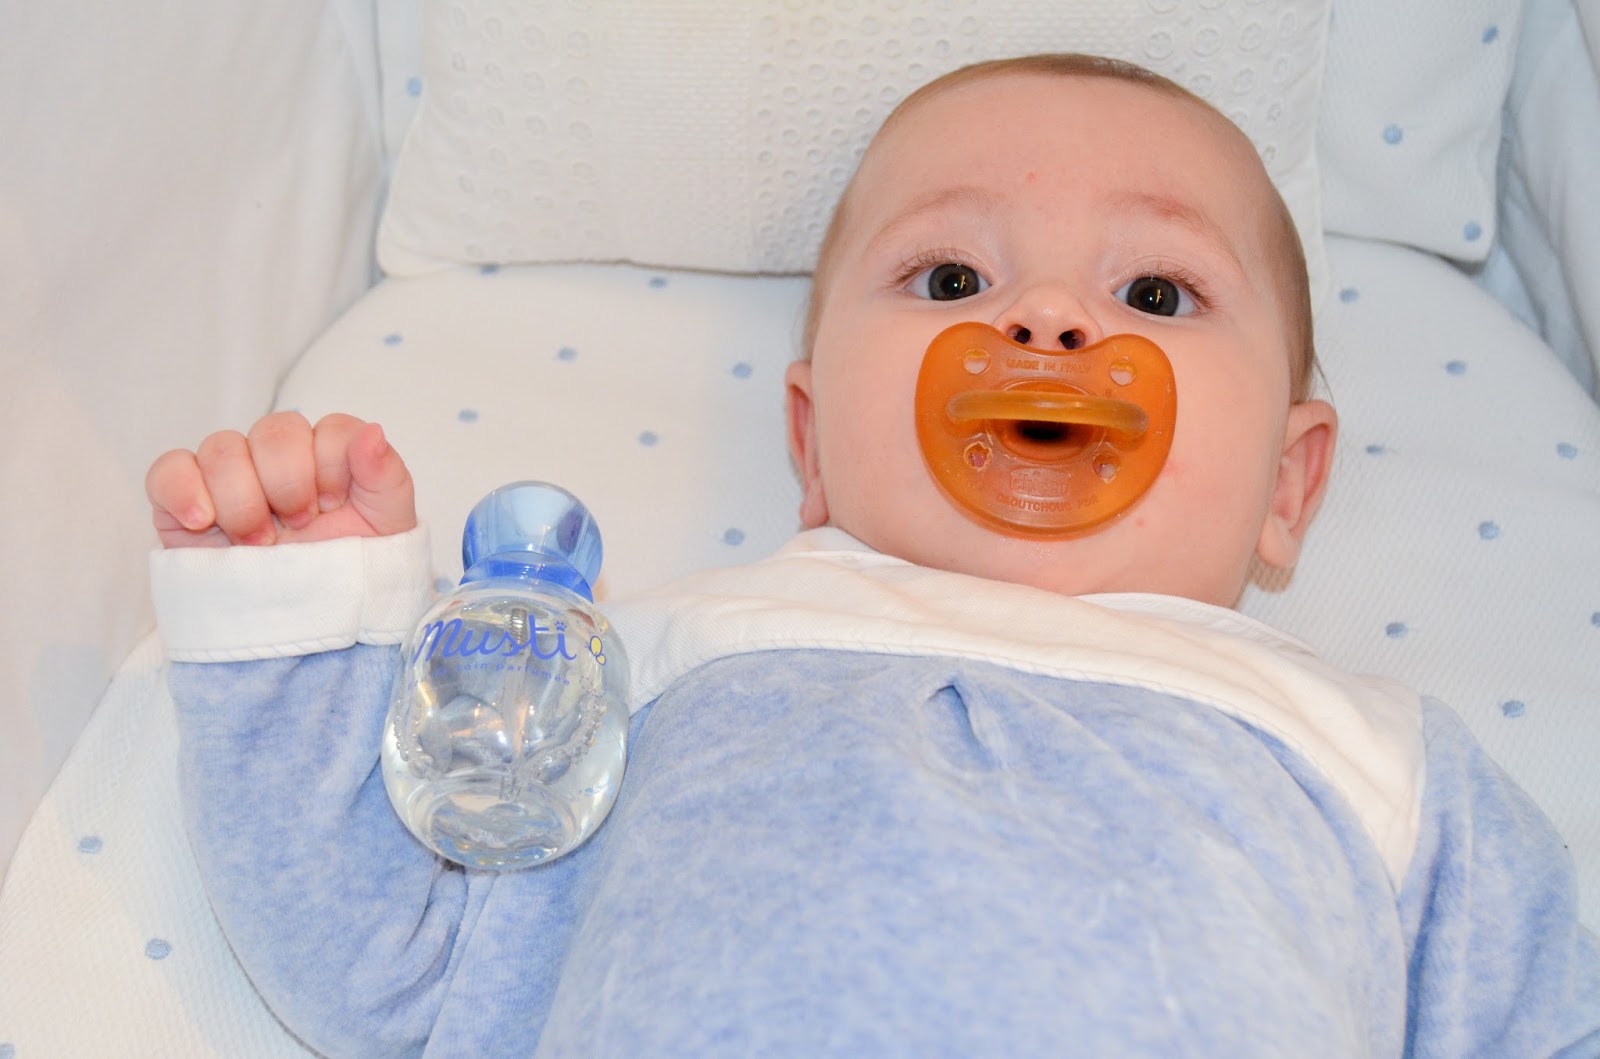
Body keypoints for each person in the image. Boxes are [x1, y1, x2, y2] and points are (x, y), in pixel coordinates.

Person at [146, 55, 1600, 1057]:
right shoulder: (668, 661)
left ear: (1289, 484)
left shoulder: (1376, 760)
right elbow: (399, 960)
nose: (1047, 322)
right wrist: (299, 608)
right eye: (952, 277)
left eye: (1157, 292)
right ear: (814, 444)